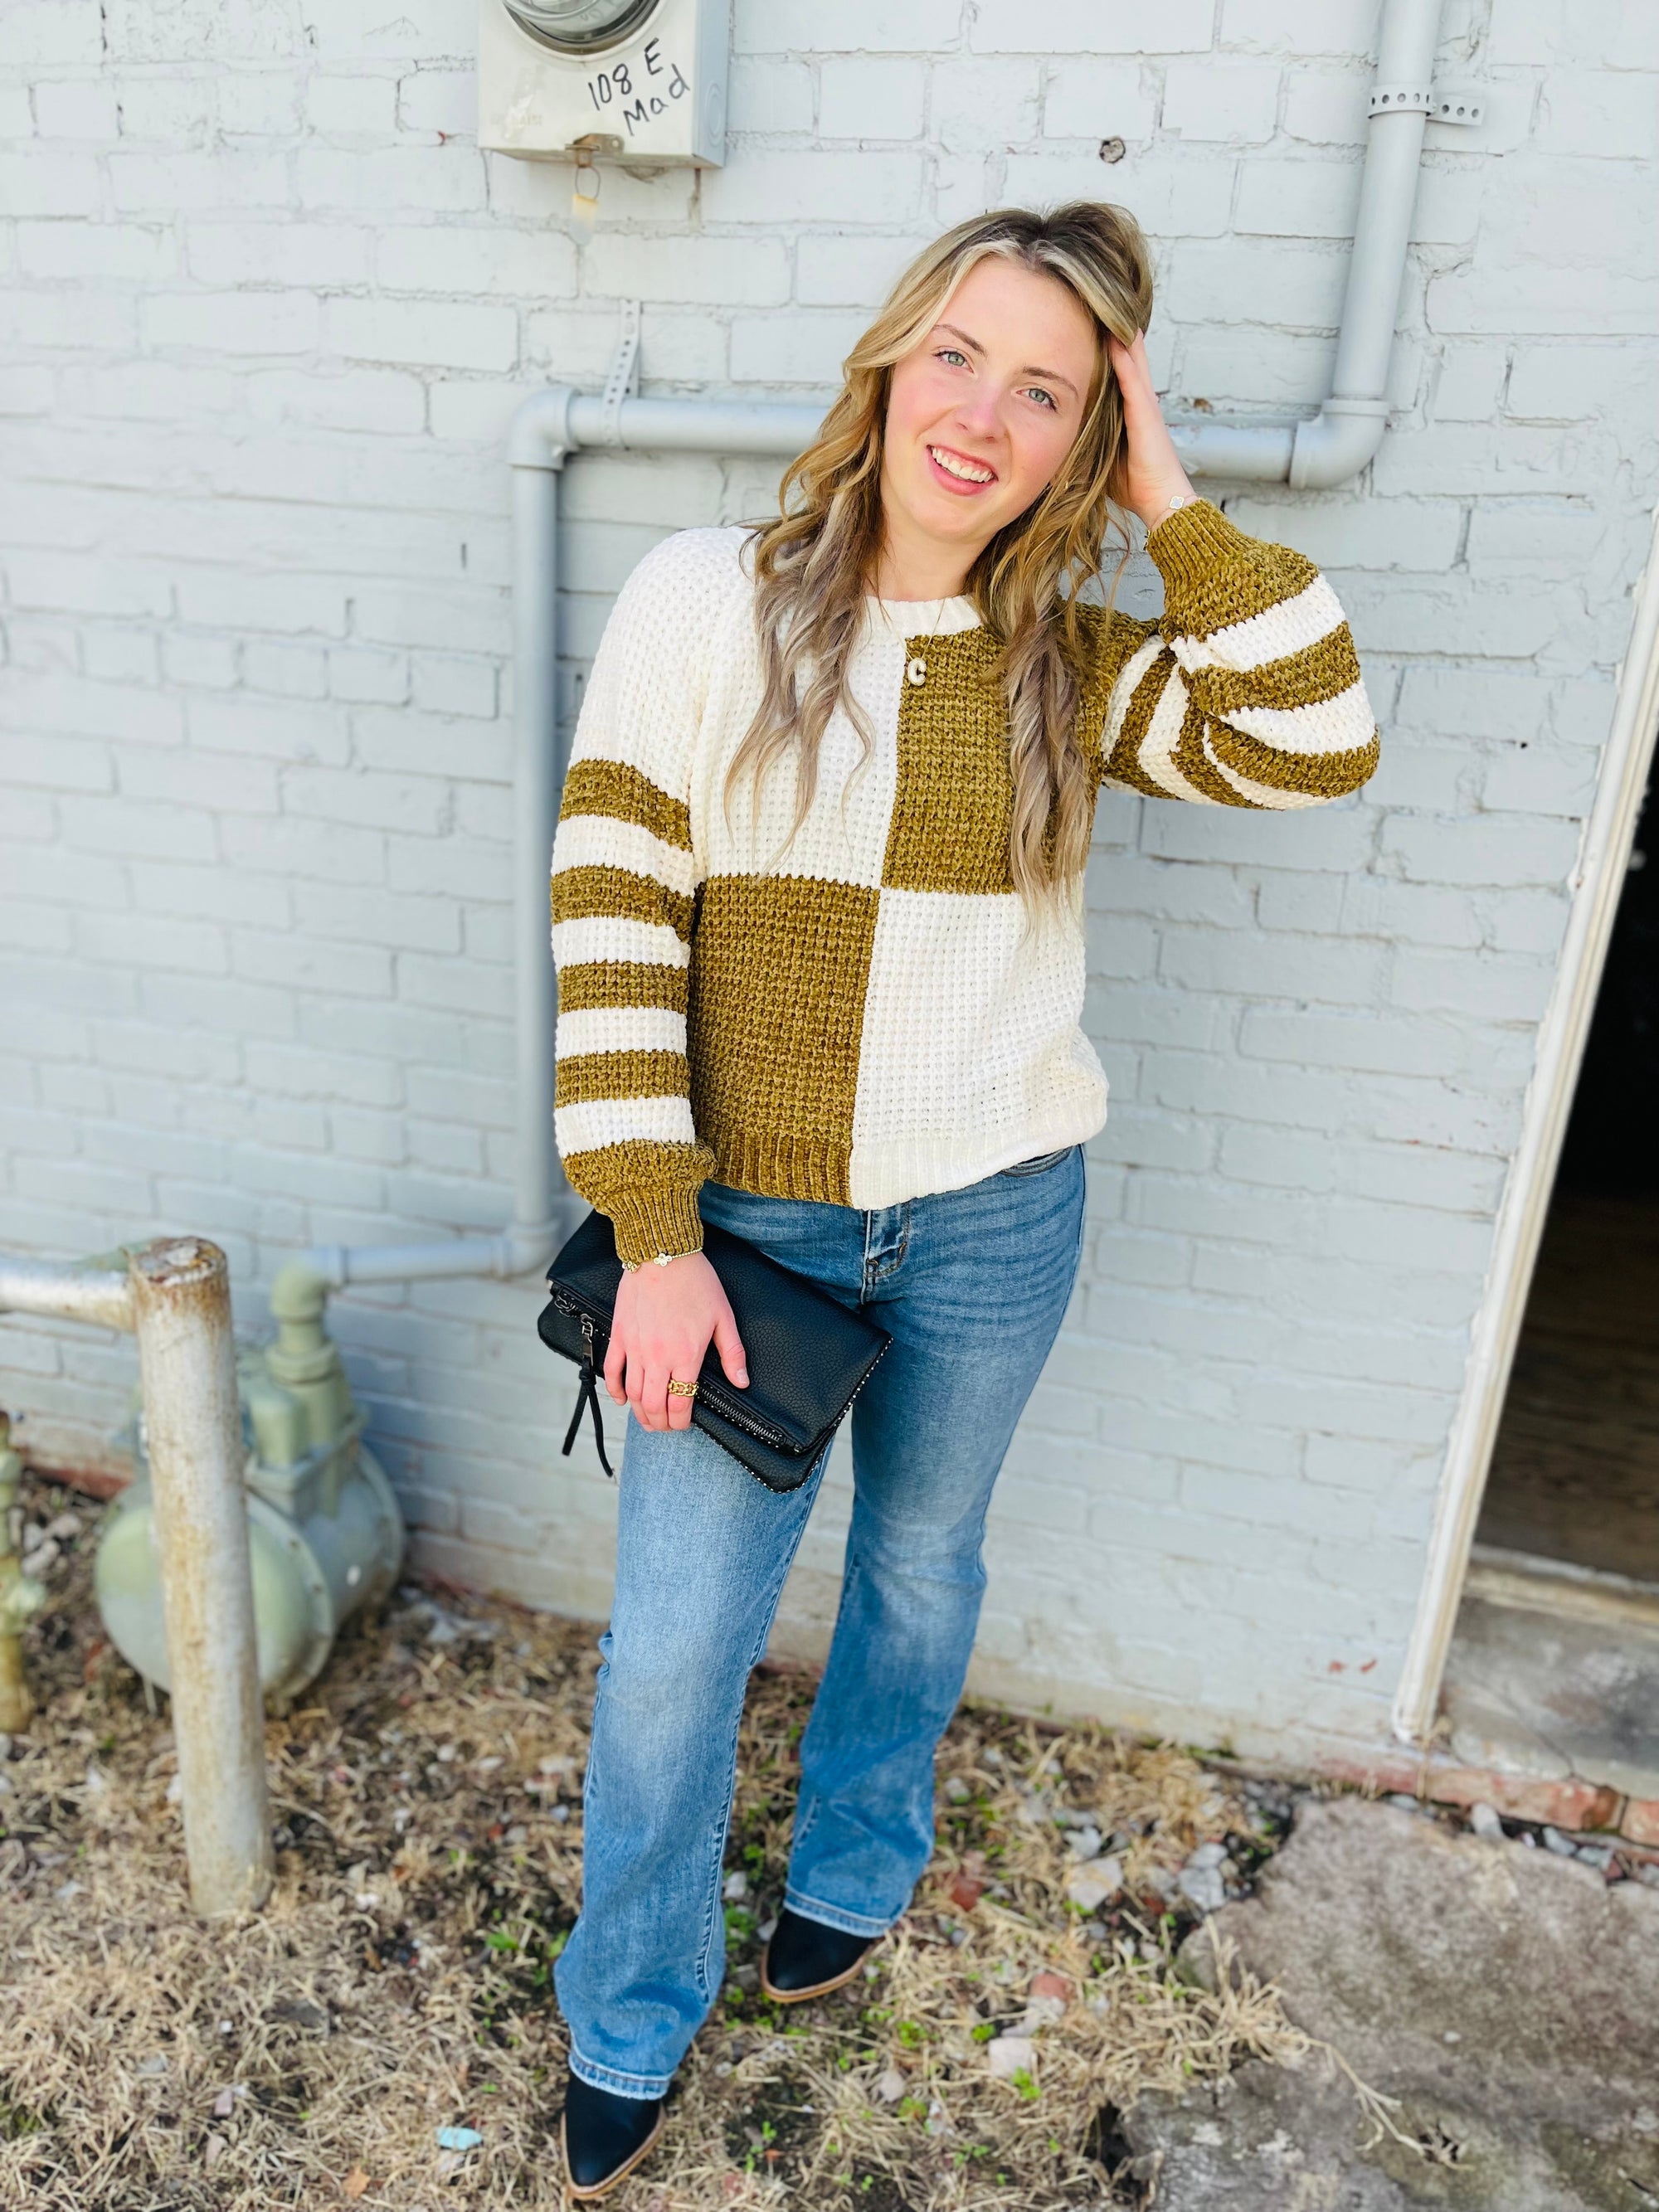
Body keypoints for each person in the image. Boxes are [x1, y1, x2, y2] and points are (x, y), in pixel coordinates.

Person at [546, 201, 1379, 2197]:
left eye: (1049, 392)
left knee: (921, 1570)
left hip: (998, 1217)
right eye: (959, 357)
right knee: (672, 1645)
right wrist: (654, 1228)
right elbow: (608, 917)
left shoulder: (1067, 670)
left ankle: (853, 1863)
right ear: (886, 361)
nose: (982, 415)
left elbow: (1317, 734)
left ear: (1085, 439)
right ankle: (627, 2007)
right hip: (745, 1232)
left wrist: (1169, 489)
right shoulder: (697, 601)